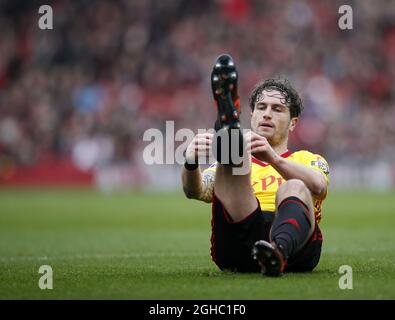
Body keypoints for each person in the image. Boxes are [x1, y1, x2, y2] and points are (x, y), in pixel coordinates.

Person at [181, 54, 329, 276]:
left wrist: (274, 159)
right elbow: (196, 191)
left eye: (277, 109)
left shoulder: (308, 159)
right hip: (241, 239)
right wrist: (191, 162)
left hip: (296, 249)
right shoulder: (243, 161)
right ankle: (228, 126)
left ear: (293, 124)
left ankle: (277, 252)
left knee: (294, 186)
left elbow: (318, 186)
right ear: (252, 115)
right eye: (261, 107)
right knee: (236, 161)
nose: (267, 114)